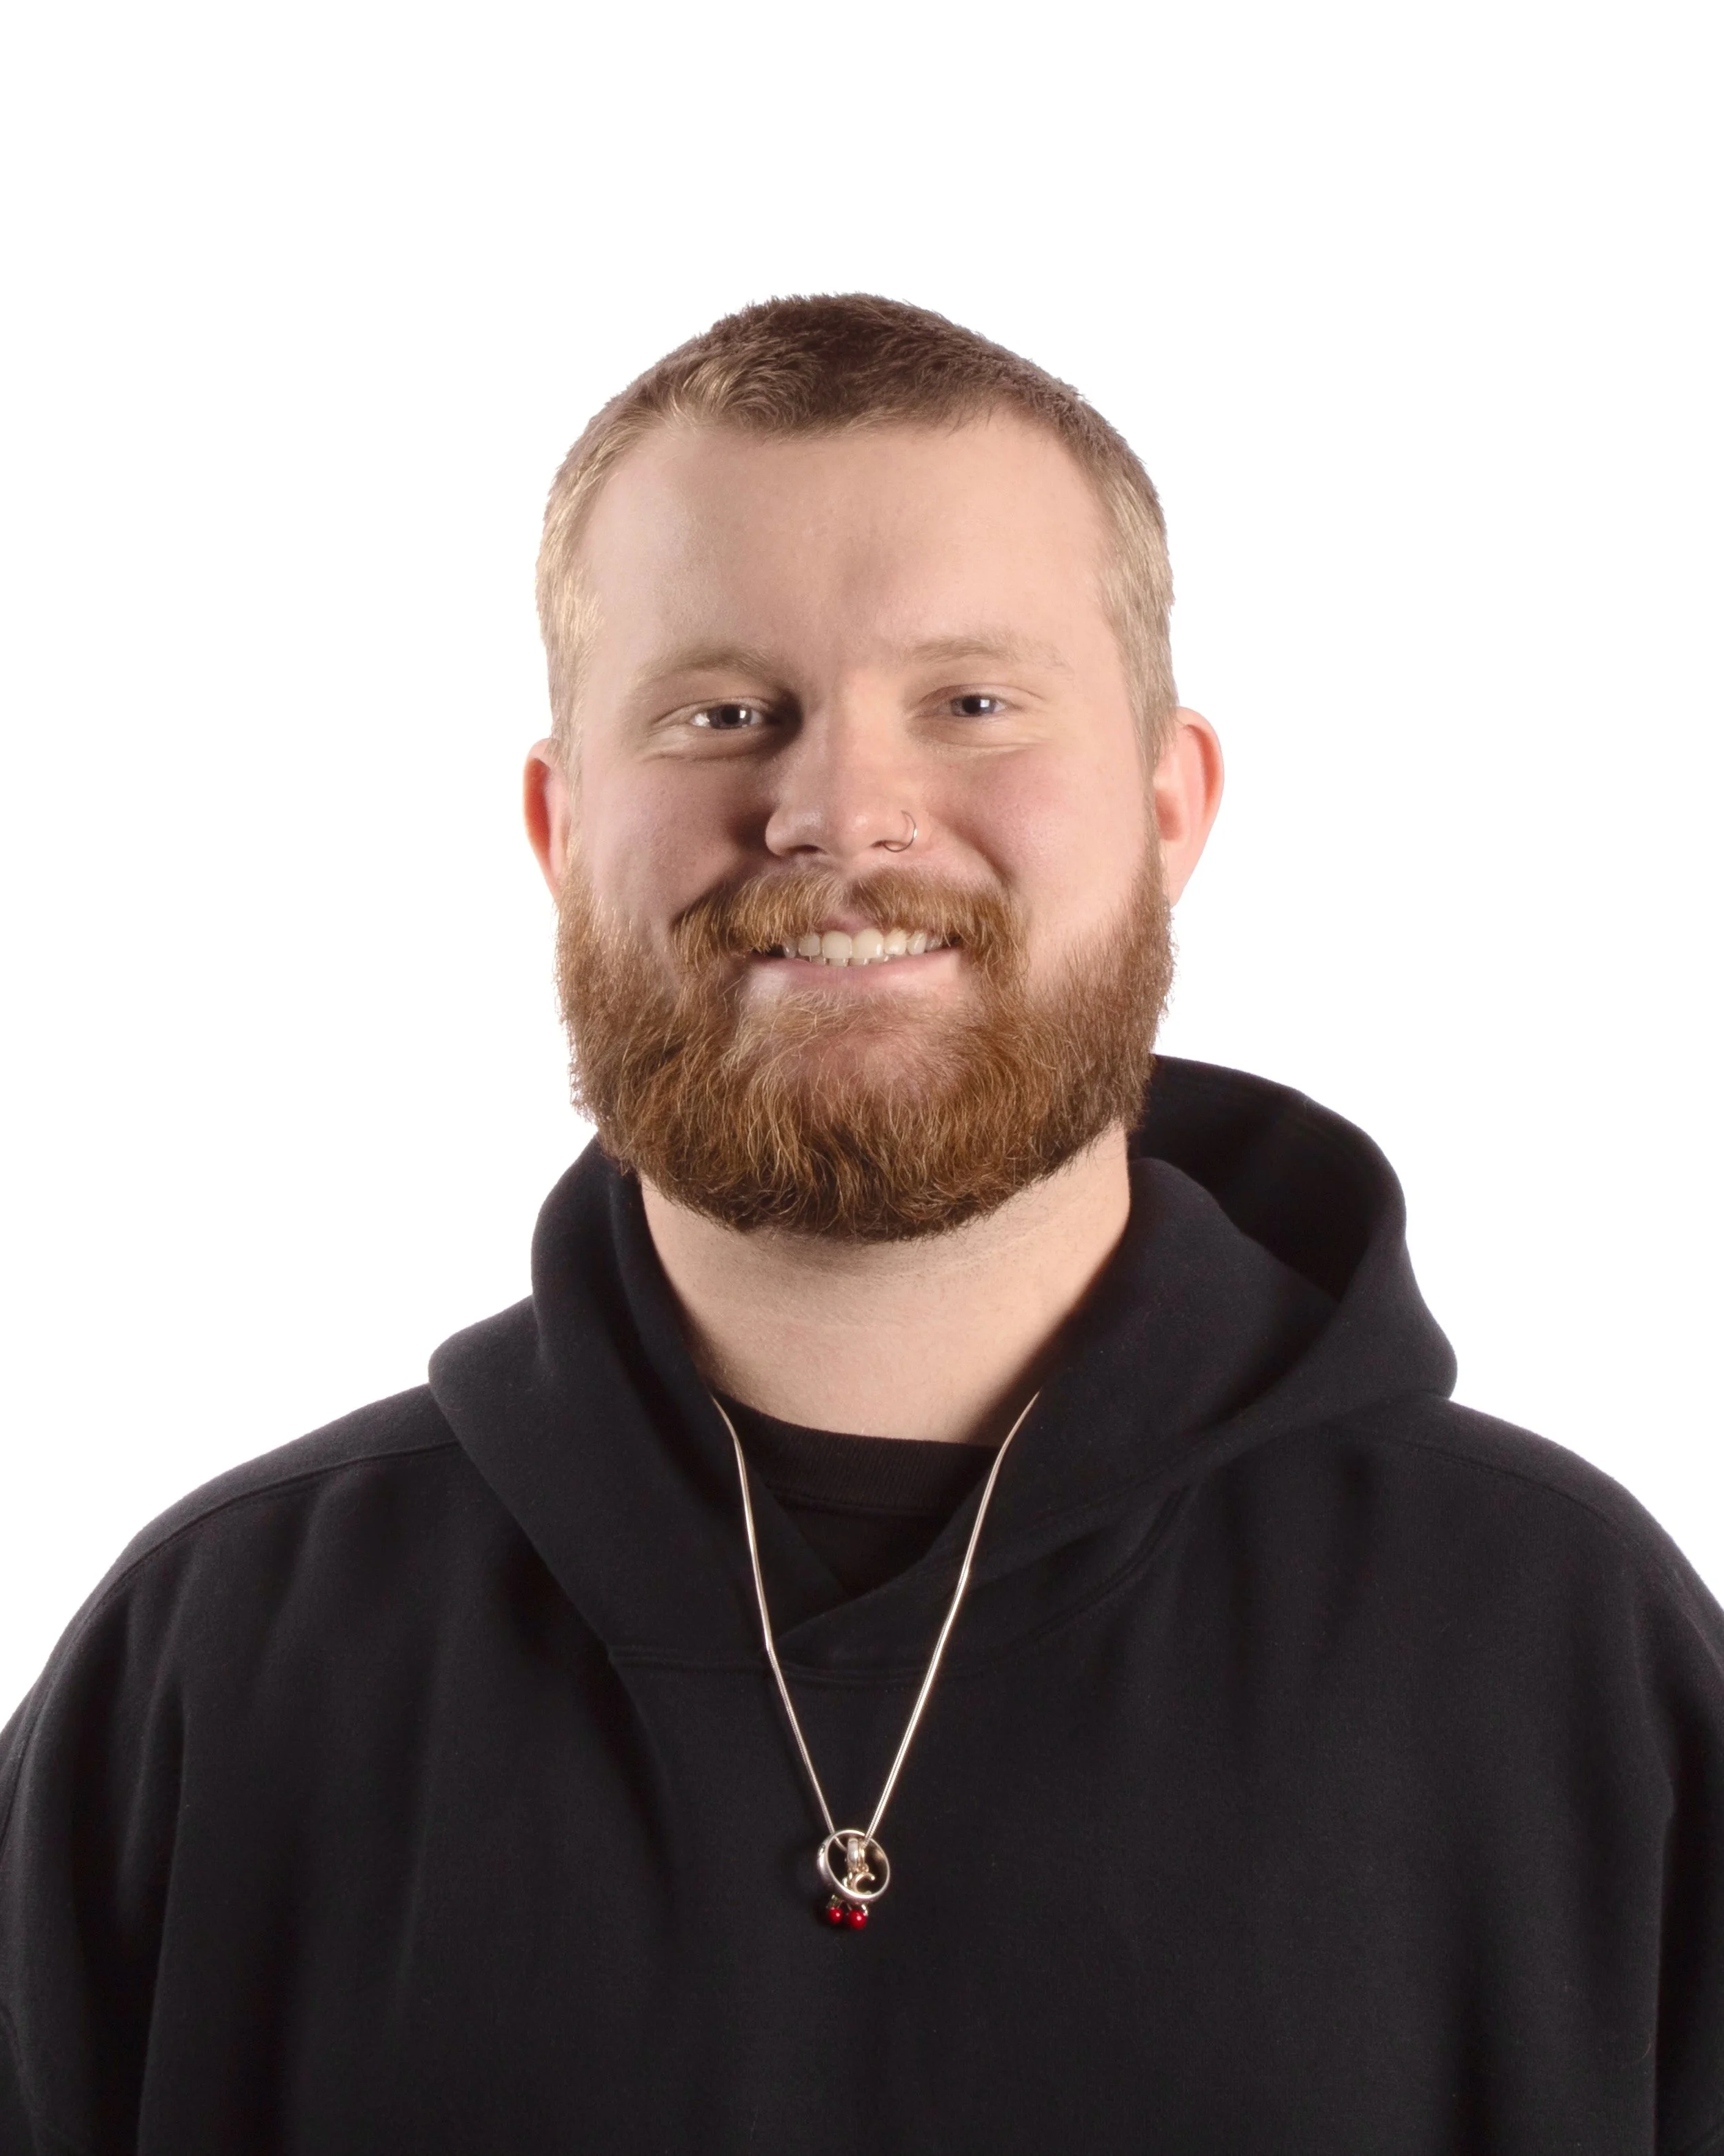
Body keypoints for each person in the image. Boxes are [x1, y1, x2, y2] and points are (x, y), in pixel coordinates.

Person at [1, 294, 1721, 2155]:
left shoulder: (1558, 1652)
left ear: (1167, 807)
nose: (837, 809)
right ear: (559, 828)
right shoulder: (226, 1659)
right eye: (722, 709)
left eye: (971, 702)